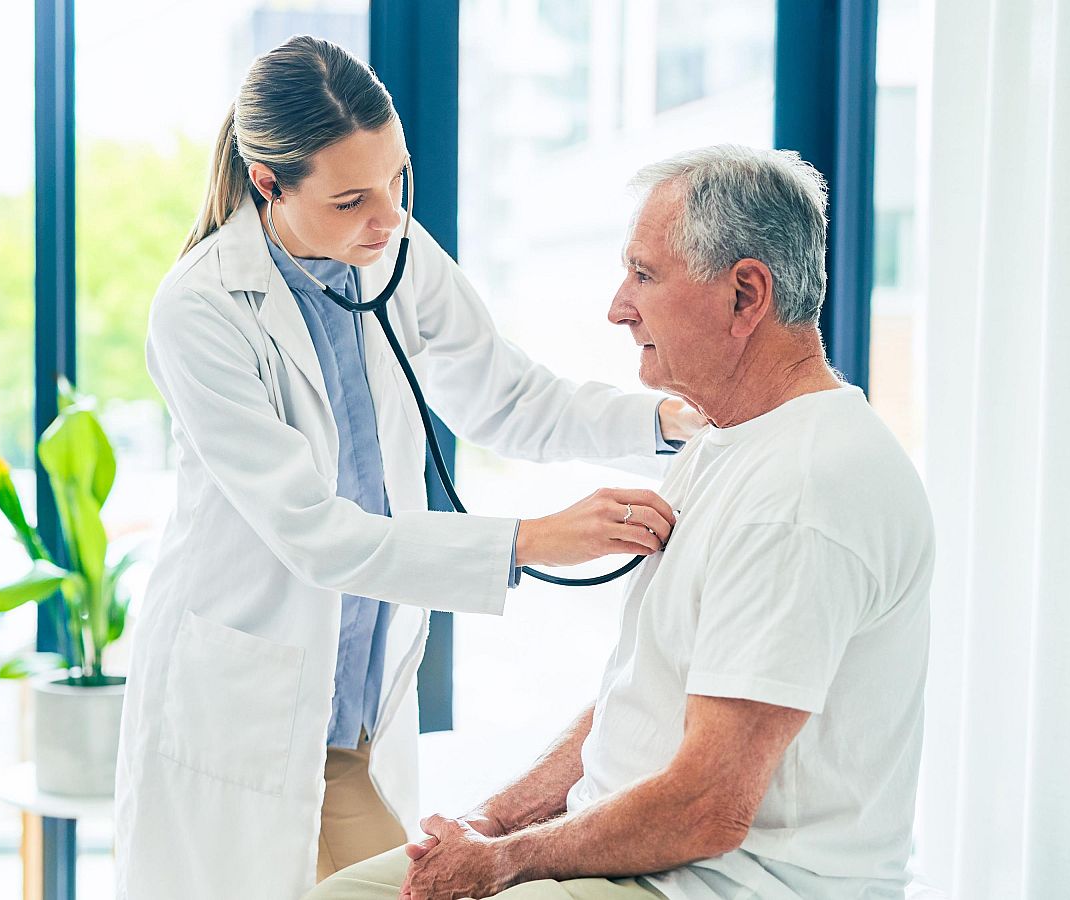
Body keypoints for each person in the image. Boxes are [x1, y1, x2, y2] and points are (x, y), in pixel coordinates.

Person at [114, 36, 703, 900]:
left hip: (349, 715)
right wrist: (530, 541)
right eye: (352, 198)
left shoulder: (392, 252)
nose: (386, 217)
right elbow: (313, 533)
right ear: (268, 182)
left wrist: (661, 420)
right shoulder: (201, 309)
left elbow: (507, 395)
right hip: (238, 709)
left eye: (397, 181)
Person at [307, 145, 935, 900]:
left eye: (643, 275)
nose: (617, 306)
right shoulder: (721, 442)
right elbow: (639, 701)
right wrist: (488, 825)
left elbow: (709, 808)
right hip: (641, 852)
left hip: (722, 883)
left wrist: (507, 863)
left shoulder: (804, 492)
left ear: (744, 296)